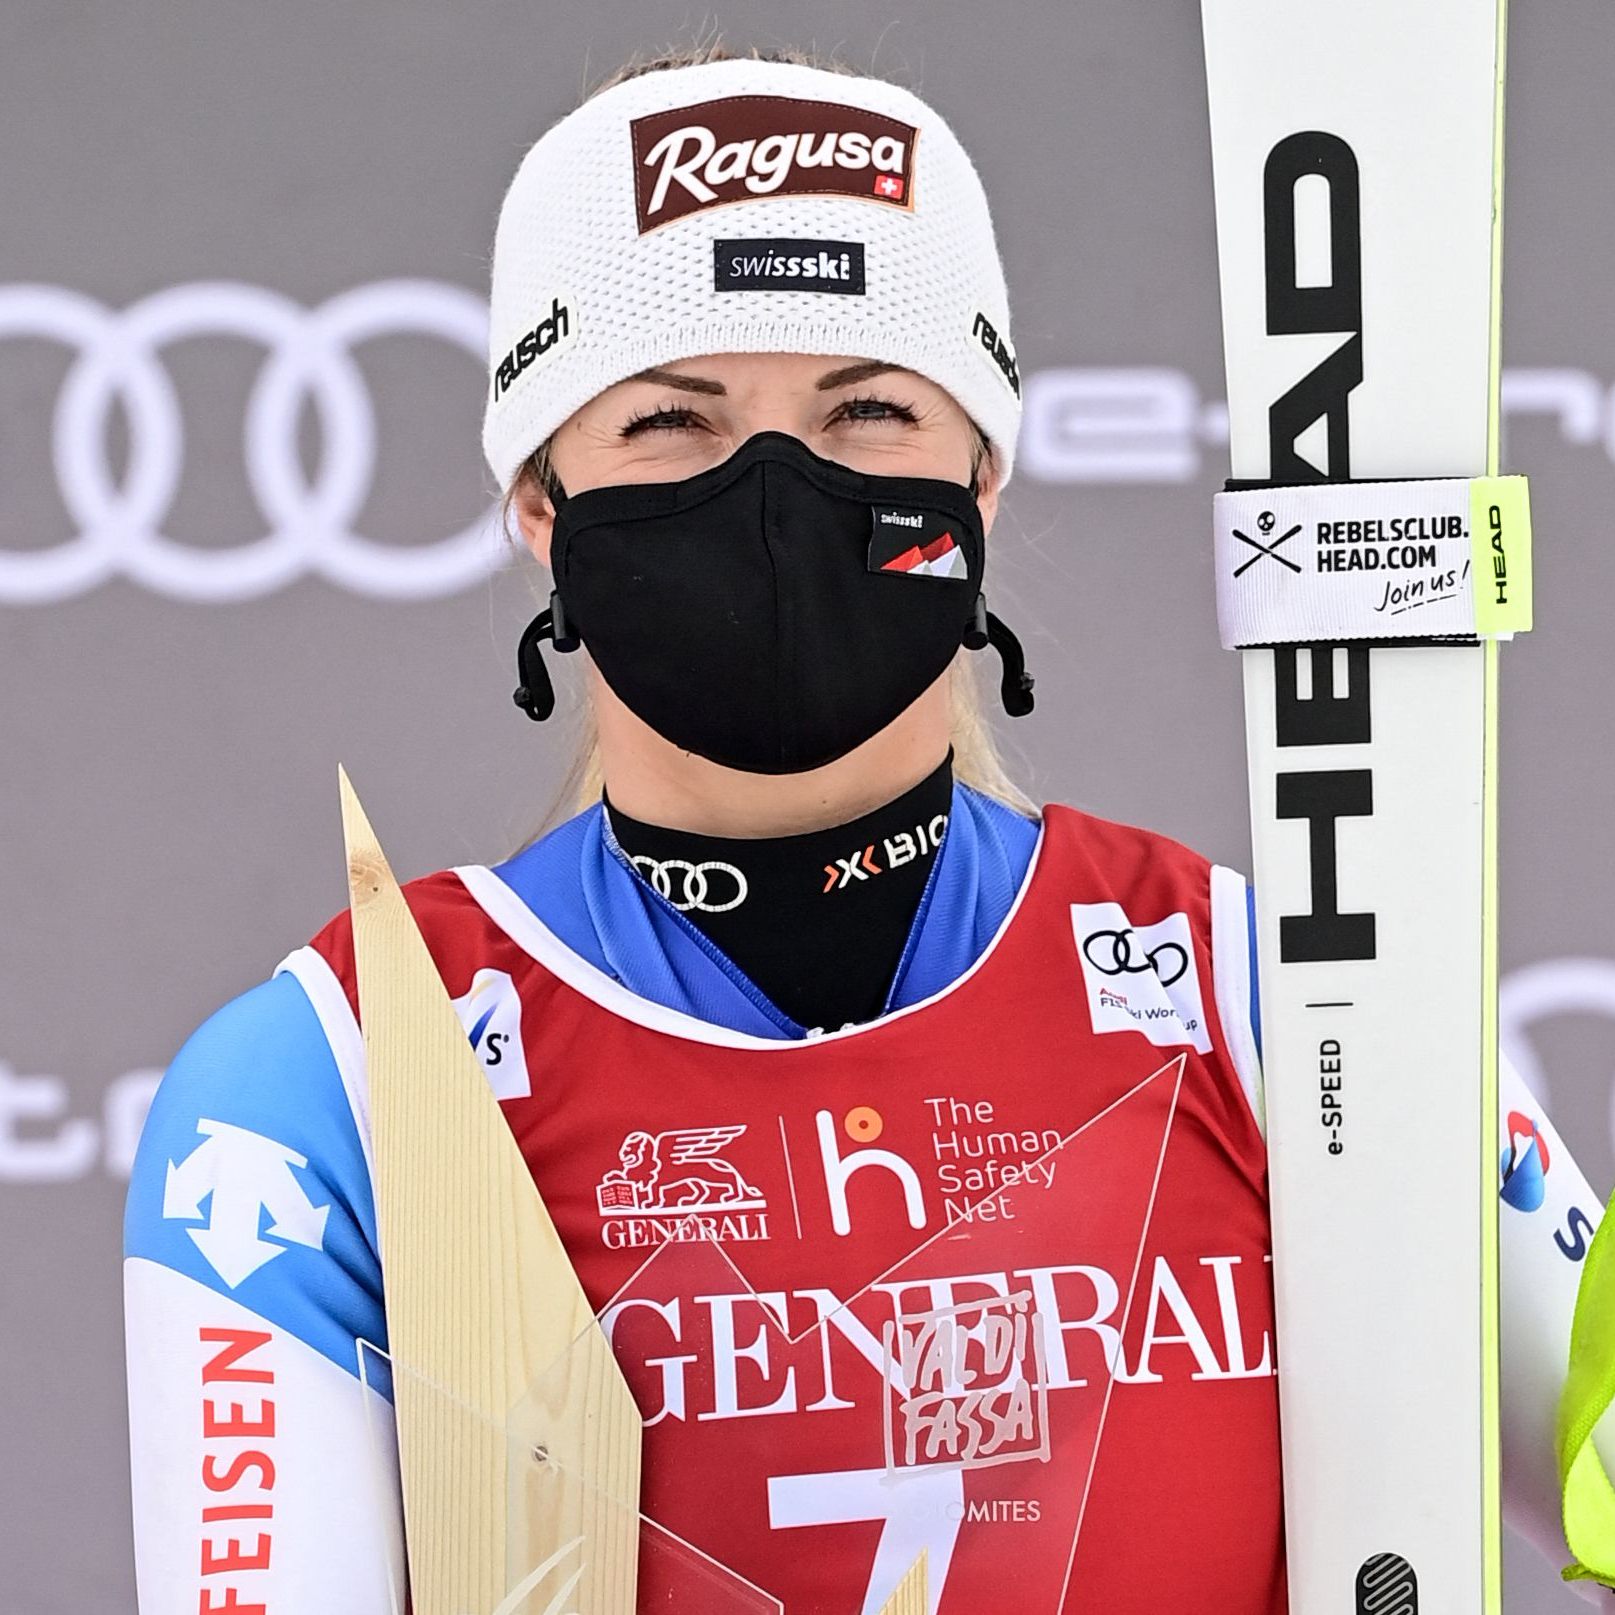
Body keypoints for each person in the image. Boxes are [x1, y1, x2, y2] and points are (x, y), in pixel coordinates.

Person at [122, 41, 1610, 1614]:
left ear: (979, 474)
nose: (777, 493)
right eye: (672, 426)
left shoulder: (1271, 989)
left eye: (867, 412)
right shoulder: (332, 1087)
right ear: (542, 507)